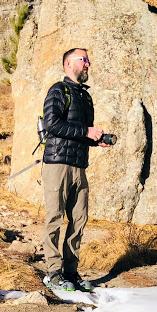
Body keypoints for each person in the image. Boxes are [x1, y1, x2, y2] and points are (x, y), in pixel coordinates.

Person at [41, 47, 110, 292]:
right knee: (55, 218)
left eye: (89, 60)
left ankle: (71, 272)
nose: (88, 64)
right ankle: (53, 272)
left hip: (79, 165)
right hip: (57, 164)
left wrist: (94, 139)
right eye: (84, 60)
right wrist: (85, 132)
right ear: (69, 64)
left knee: (79, 219)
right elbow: (52, 124)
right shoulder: (58, 90)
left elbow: (81, 130)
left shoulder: (85, 96)